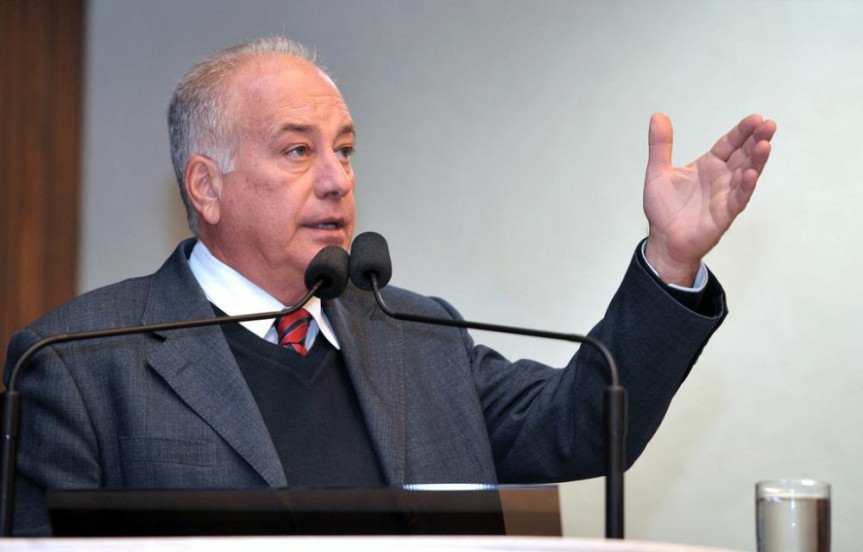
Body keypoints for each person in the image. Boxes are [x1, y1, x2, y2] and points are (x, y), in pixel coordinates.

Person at [3, 36, 776, 536]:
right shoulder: (76, 363)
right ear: (206, 186)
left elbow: (581, 423)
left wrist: (669, 260)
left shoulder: (417, 335)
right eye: (297, 151)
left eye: (344, 149)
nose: (338, 180)